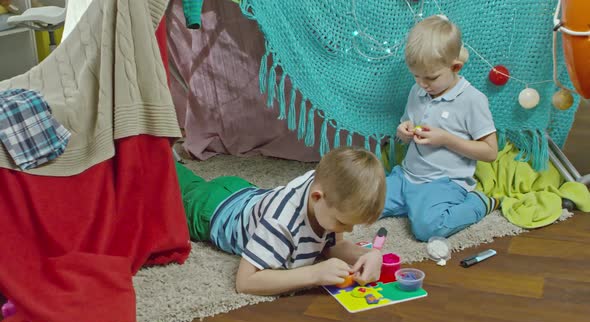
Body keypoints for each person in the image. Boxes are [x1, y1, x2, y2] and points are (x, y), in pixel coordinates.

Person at [175, 146, 386, 296]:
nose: (347, 230)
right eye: (342, 222)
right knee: (165, 181)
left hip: (243, 191)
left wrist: (371, 254)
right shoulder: (280, 222)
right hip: (211, 209)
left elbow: (333, 246)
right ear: (317, 198)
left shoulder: (328, 187)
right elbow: (245, 282)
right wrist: (313, 273)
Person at [381, 15, 499, 241]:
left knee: (428, 229)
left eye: (431, 78)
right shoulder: (418, 90)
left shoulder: (472, 100)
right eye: (416, 76)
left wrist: (446, 139)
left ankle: (479, 203)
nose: (422, 84)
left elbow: (490, 152)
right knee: (361, 205)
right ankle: (415, 206)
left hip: (442, 183)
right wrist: (403, 131)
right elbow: (407, 129)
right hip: (407, 176)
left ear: (455, 67)